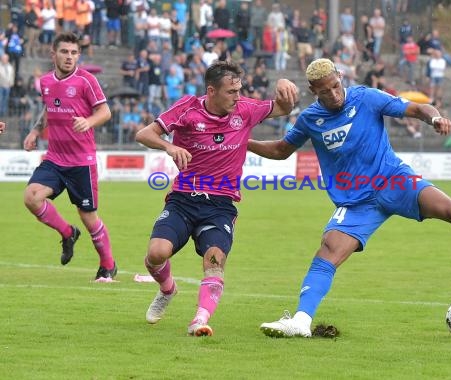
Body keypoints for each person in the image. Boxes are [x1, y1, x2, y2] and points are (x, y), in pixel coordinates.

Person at [247, 58, 451, 338]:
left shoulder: (366, 97)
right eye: (325, 91)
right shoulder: (311, 119)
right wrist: (243, 142)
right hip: (357, 202)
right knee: (327, 252)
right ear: (314, 91)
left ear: (341, 78)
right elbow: (280, 150)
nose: (334, 94)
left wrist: (434, 119)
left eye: (336, 86)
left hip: (395, 180)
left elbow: (415, 108)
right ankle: (301, 321)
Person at [134, 60, 297, 337]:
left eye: (239, 90)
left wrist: (283, 85)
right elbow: (144, 133)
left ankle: (200, 319)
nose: (238, 96)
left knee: (214, 260)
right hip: (183, 199)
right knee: (156, 254)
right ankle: (167, 289)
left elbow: (283, 108)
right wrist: (169, 146)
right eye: (231, 91)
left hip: (220, 205)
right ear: (211, 91)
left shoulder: (245, 109)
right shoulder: (187, 108)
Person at [22, 32, 117, 282]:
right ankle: (67, 233)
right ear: (53, 54)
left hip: (81, 162)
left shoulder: (87, 81)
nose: (69, 57)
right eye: (64, 51)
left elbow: (105, 111)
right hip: (54, 158)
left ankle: (108, 265)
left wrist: (89, 121)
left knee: (88, 217)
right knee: (31, 197)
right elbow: (48, 109)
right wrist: (35, 130)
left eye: (74, 53)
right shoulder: (45, 81)